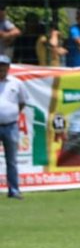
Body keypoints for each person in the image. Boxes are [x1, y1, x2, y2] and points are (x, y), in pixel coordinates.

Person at [0, 55, 29, 199]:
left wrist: (11, 114)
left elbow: (22, 102)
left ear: (8, 67)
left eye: (4, 65)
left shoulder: (16, 83)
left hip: (11, 126)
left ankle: (14, 190)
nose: (1, 68)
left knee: (11, 160)